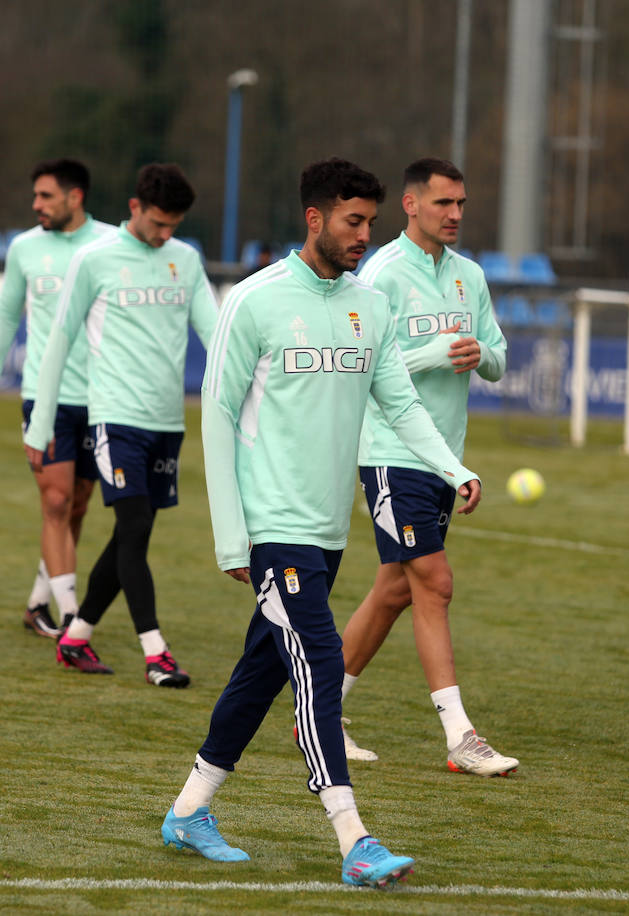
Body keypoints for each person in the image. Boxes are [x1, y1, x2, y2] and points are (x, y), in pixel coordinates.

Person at [160, 158, 482, 886]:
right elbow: (213, 415)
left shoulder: (371, 305)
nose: (366, 235)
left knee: (260, 674)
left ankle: (189, 810)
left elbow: (399, 402)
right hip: (272, 527)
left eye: (370, 222)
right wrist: (230, 535)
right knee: (321, 660)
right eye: (353, 221)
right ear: (315, 220)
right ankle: (354, 837)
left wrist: (453, 468)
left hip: (326, 530)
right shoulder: (257, 301)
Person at [337, 157, 517, 776]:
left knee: (394, 591)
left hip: (444, 458)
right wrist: (435, 352)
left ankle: (320, 707)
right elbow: (364, 367)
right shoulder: (380, 274)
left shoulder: (470, 275)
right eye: (444, 203)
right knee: (434, 585)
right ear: (411, 205)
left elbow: (497, 357)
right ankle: (460, 737)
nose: (456, 215)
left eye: (462, 204)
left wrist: (477, 353)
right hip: (391, 454)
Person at [23, 163, 216, 687]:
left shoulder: (186, 260)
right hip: (113, 420)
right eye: (157, 223)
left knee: (133, 535)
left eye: (173, 225)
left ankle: (76, 636)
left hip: (166, 424)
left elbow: (217, 336)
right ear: (134, 208)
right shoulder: (95, 260)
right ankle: (156, 652)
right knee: (132, 529)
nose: (165, 235)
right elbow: (58, 340)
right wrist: (39, 423)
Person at [0, 158, 114, 638]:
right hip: (44, 397)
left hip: (101, 401)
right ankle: (72, 616)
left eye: (45, 196)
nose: (36, 205)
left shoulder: (112, 245)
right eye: (35, 196)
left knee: (76, 506)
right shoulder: (24, 248)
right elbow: (5, 318)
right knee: (54, 502)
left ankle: (39, 603)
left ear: (75, 197)